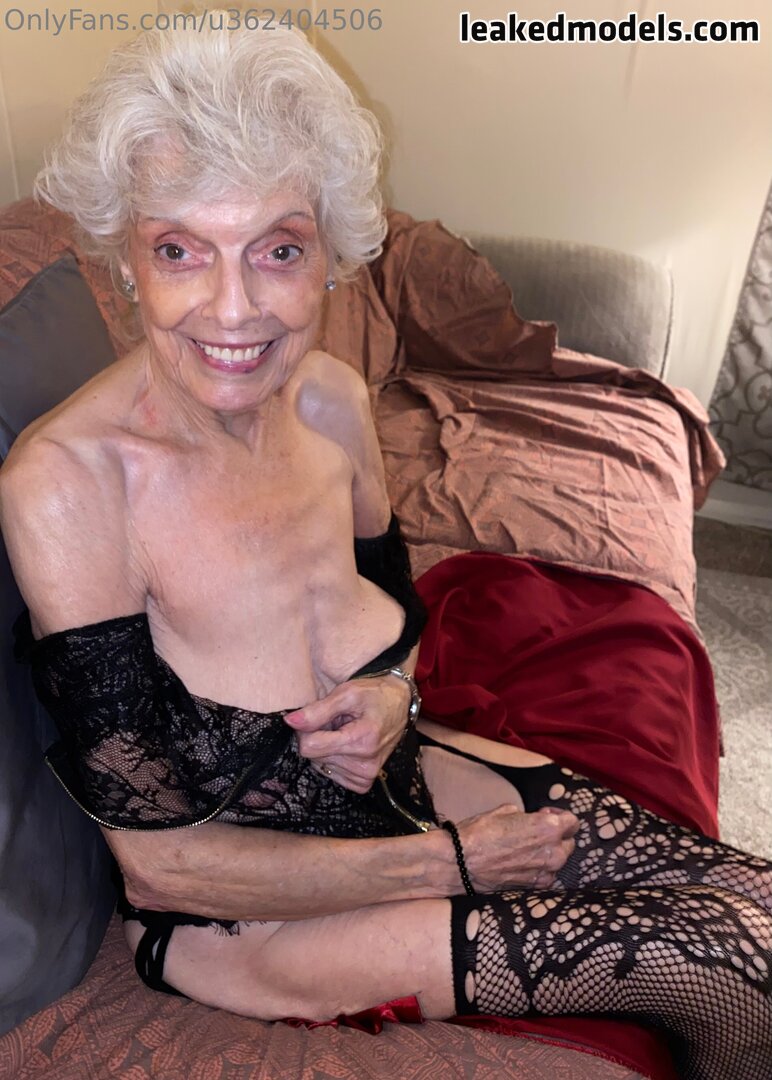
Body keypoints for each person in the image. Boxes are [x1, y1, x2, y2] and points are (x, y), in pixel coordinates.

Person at [0, 21, 769, 1080]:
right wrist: (452, 864)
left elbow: (389, 601)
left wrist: (395, 695)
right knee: (727, 968)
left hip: (397, 786)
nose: (233, 309)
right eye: (179, 250)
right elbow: (162, 865)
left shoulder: (327, 400)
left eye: (277, 250)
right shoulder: (70, 486)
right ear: (126, 261)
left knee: (756, 906)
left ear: (330, 255)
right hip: (244, 919)